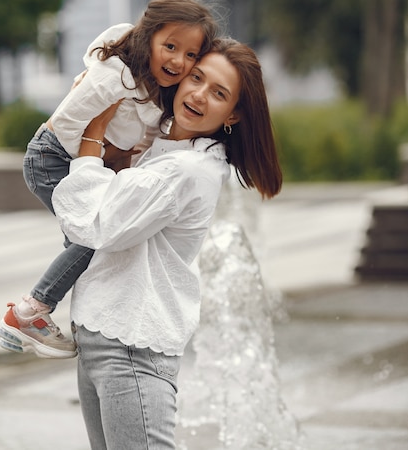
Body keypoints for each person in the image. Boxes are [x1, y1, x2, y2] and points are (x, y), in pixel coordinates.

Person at [48, 38, 282, 450]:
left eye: (219, 93)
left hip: (132, 348)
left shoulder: (189, 170)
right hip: (101, 334)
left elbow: (102, 224)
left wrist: (92, 135)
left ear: (234, 114)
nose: (198, 95)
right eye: (197, 78)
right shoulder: (163, 146)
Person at [0, 0, 218, 359]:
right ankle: (29, 313)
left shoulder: (152, 85)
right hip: (52, 159)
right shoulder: (113, 79)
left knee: (92, 240)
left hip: (81, 161)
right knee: (94, 235)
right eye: (171, 46)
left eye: (191, 55)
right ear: (148, 37)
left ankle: (61, 320)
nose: (179, 61)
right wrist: (106, 156)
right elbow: (67, 123)